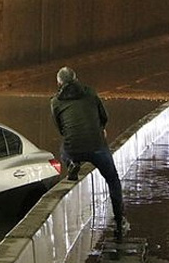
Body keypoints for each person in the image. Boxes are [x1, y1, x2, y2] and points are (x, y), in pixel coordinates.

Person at [50, 66, 125, 238]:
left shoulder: (56, 102)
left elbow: (61, 128)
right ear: (76, 78)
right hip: (97, 146)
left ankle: (71, 163)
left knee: (63, 151)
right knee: (113, 180)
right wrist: (100, 128)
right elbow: (104, 116)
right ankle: (119, 222)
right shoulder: (90, 93)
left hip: (73, 147)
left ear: (59, 83)